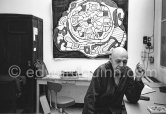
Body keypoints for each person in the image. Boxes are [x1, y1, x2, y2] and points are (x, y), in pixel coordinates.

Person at [82, 47, 145, 114]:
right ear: (110, 59)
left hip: (116, 111)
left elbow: (133, 98)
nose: (121, 65)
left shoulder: (128, 73)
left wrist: (138, 79)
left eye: (124, 62)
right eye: (118, 61)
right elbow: (90, 100)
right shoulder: (101, 72)